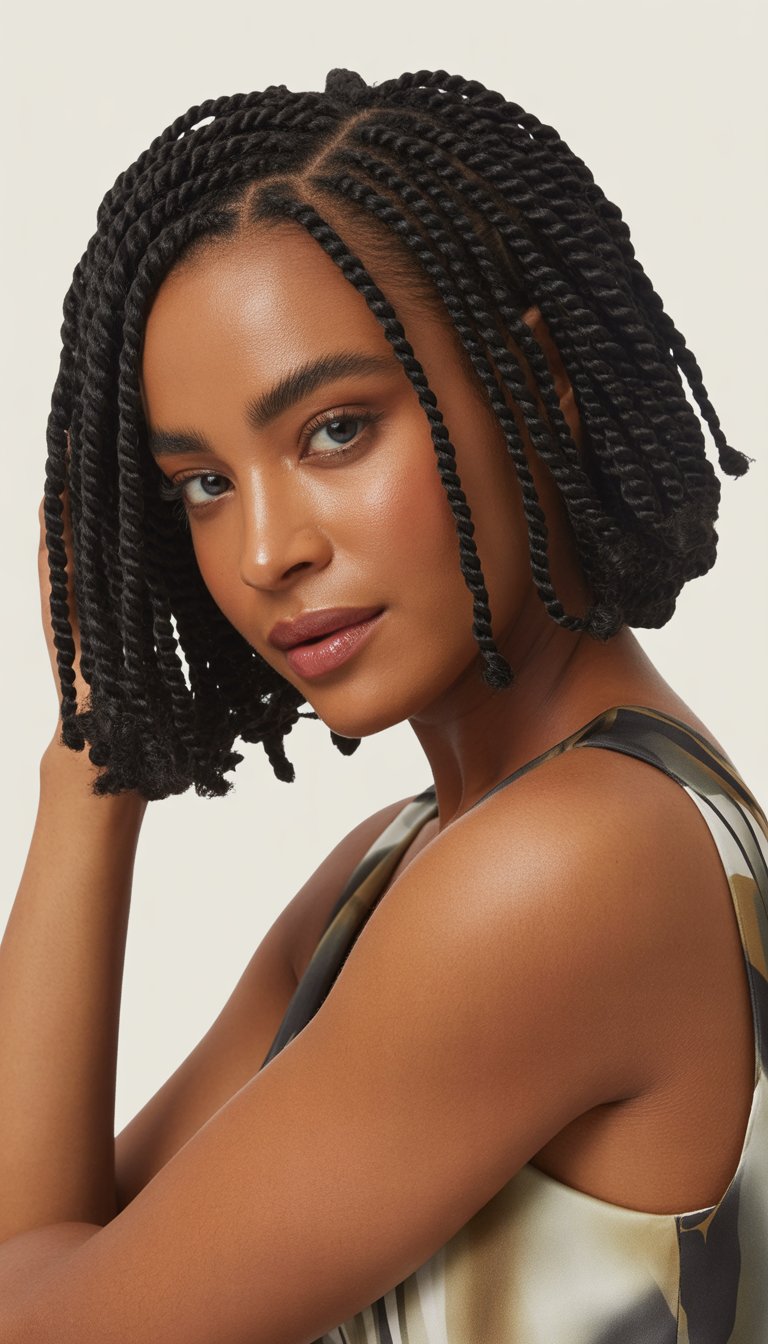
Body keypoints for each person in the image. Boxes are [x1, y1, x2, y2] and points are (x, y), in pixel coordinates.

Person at [0, 65, 765, 1343]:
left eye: (336, 429)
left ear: (540, 388)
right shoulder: (398, 865)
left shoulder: (565, 867)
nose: (264, 551)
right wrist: (94, 759)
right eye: (200, 484)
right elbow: (58, 1251)